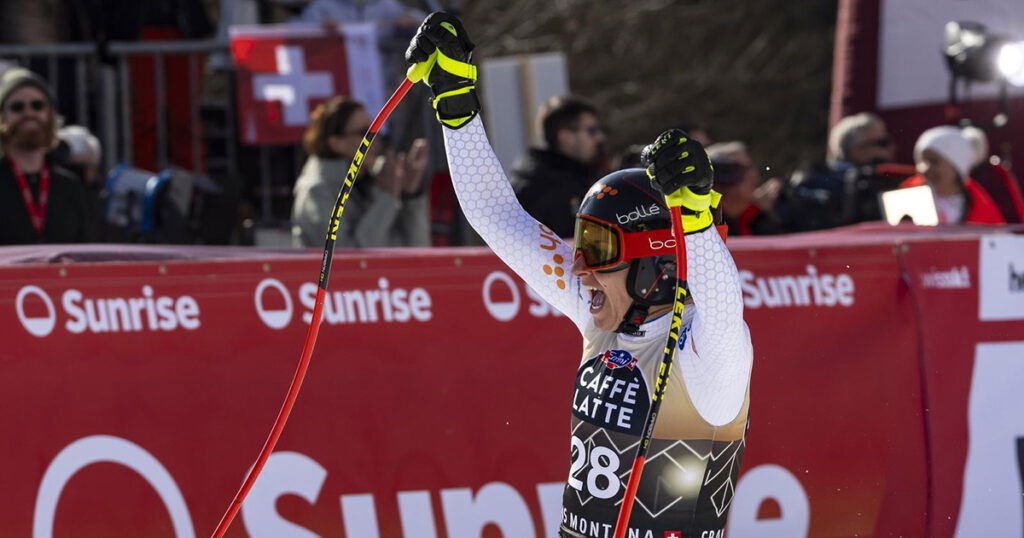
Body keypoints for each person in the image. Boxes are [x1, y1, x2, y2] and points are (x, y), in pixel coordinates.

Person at [405, 13, 753, 537]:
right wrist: (455, 103)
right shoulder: (606, 319)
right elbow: (499, 220)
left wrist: (696, 219)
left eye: (598, 248)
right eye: (580, 241)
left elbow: (726, 311)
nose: (576, 266)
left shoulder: (705, 356)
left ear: (655, 264)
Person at [291, 96, 430, 248]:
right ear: (336, 143)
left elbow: (418, 250)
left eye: (377, 130)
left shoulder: (371, 182)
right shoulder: (317, 191)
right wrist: (388, 197)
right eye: (366, 133)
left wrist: (409, 196)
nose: (376, 139)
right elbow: (343, 260)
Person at [0, 67, 92, 245]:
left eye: (38, 105)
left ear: (50, 115)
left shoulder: (69, 186)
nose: (29, 113)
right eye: (17, 107)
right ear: (2, 118)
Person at [510, 95, 607, 238]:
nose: (599, 137)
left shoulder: (583, 175)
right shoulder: (540, 187)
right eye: (591, 131)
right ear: (566, 137)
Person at [788, 112, 897, 231]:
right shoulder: (820, 179)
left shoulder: (893, 177)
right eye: (882, 143)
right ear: (853, 149)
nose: (888, 148)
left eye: (887, 141)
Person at [898, 126, 1004, 225]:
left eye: (934, 161)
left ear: (956, 167)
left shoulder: (982, 207)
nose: (924, 168)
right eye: (922, 160)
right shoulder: (905, 197)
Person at [706, 141, 787, 236]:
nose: (754, 176)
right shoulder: (700, 224)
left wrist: (766, 212)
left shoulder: (757, 216)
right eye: (741, 170)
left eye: (750, 168)